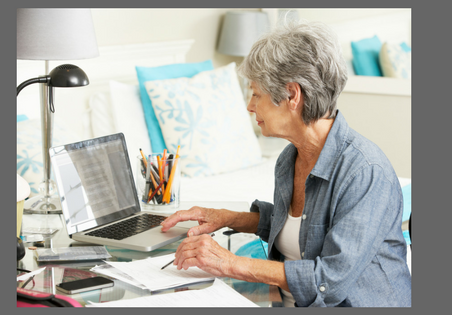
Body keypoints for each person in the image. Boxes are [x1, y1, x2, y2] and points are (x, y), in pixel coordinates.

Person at [160, 20, 411, 307]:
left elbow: (328, 281)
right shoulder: (290, 158)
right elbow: (298, 229)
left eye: (256, 93)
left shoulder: (365, 172)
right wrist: (227, 217)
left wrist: (230, 262)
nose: (249, 106)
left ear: (292, 95)